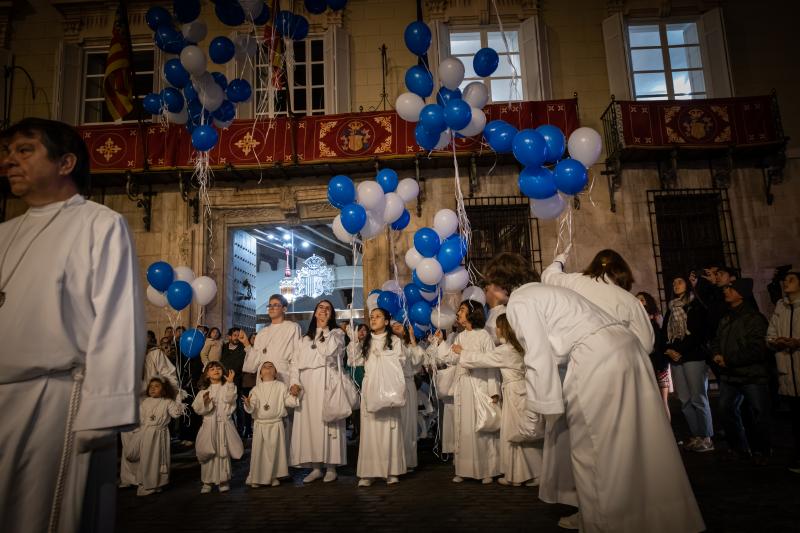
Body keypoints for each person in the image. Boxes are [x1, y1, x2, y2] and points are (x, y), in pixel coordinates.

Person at [485, 252, 705, 533]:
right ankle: (653, 519)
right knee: (637, 442)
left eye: (490, 284)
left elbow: (538, 356)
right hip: (627, 351)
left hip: (596, 358)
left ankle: (601, 524)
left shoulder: (521, 301)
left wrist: (539, 414)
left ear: (502, 283)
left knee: (592, 447)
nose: (488, 290)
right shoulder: (548, 290)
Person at [0, 118, 145, 533]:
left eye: (25, 150)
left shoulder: (99, 224)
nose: (10, 161)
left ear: (65, 163)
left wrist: (103, 410)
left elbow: (117, 319)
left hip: (57, 399)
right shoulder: (5, 233)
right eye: (9, 151)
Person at [540, 248, 655, 528]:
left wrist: (561, 257)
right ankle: (622, 510)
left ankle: (591, 515)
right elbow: (646, 343)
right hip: (624, 377)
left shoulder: (576, 282)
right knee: (622, 444)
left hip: (585, 371)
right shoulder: (627, 299)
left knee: (585, 445)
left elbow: (548, 276)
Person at [455, 313, 543, 487]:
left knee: (518, 431)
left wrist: (462, 352)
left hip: (515, 392)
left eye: (498, 326)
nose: (495, 329)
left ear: (504, 329)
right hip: (517, 390)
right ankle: (519, 474)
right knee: (515, 431)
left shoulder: (507, 350)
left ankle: (535, 472)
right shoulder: (517, 347)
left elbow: (483, 359)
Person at [436, 300, 501, 484]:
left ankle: (487, 469)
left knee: (481, 425)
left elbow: (491, 364)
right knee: (463, 426)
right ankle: (464, 469)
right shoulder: (461, 336)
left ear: (473, 313)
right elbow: (450, 358)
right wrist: (442, 342)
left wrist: (493, 390)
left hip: (479, 385)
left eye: (462, 310)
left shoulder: (484, 336)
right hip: (463, 385)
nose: (458, 313)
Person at [712, 278, 771, 464]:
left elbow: (756, 349)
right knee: (725, 409)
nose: (726, 291)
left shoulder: (754, 318)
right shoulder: (727, 318)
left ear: (741, 294)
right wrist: (716, 354)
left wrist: (728, 359)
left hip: (751, 374)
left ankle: (762, 451)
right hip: (731, 375)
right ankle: (739, 448)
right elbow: (716, 340)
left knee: (759, 412)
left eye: (731, 289)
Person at [289, 300, 347, 483]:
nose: (323, 311)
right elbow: (294, 363)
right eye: (320, 308)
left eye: (328, 309)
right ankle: (315, 467)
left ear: (332, 315)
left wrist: (324, 330)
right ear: (315, 313)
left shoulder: (336, 333)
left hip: (325, 382)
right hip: (307, 385)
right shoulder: (304, 339)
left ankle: (331, 466)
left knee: (327, 423)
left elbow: (330, 353)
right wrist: (294, 382)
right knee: (310, 426)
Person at [349, 308, 408, 486]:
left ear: (387, 321)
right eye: (371, 317)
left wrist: (383, 356)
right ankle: (369, 472)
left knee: (389, 427)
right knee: (370, 430)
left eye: (378, 317)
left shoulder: (394, 341)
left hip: (388, 386)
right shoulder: (366, 341)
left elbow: (401, 361)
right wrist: (353, 341)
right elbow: (354, 361)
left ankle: (392, 470)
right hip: (371, 387)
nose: (373, 319)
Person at [663, 276, 714, 452]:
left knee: (698, 398)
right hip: (676, 359)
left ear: (688, 284)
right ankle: (696, 435)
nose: (675, 285)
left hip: (693, 357)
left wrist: (679, 350)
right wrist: (669, 349)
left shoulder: (696, 306)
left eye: (679, 282)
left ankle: (706, 437)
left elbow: (699, 334)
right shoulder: (671, 308)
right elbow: (665, 333)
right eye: (674, 282)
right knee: (684, 399)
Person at [244, 361, 298, 487]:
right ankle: (256, 478)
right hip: (261, 425)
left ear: (275, 373)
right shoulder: (256, 389)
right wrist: (248, 404)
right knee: (260, 453)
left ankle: (273, 476)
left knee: (275, 452)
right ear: (260, 374)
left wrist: (294, 395)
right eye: (264, 367)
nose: (267, 368)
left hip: (276, 424)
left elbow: (288, 401)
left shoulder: (281, 386)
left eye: (271, 366)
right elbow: (253, 406)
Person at [127, 377, 184, 496]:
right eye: (151, 386)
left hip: (160, 435)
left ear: (163, 390)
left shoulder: (167, 402)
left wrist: (178, 400)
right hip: (147, 434)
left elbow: (176, 414)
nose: (153, 389)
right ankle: (146, 484)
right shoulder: (145, 402)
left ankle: (157, 483)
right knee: (147, 459)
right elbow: (141, 418)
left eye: (157, 386)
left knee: (159, 460)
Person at [766, 271, 800, 473]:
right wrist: (775, 342)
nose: (786, 283)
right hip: (788, 368)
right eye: (785, 279)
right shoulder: (780, 307)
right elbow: (770, 333)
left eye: (791, 279)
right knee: (796, 419)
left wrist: (797, 342)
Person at [192, 361, 243, 493]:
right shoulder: (204, 391)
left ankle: (223, 480)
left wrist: (230, 383)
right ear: (207, 375)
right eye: (212, 369)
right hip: (209, 426)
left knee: (222, 452)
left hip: (223, 424)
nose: (216, 370)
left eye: (218, 368)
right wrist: (205, 403)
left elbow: (230, 399)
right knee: (209, 453)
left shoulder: (228, 387)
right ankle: (207, 482)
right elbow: (198, 409)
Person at [391, 320, 426, 471]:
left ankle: (409, 460)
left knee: (409, 422)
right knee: (396, 422)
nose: (395, 327)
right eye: (393, 326)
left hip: (408, 383)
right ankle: (395, 460)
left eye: (399, 325)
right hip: (393, 385)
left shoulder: (409, 346)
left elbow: (418, 361)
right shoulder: (390, 344)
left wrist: (412, 338)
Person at [636, 291, 671, 420]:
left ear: (648, 302)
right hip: (645, 364)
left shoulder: (656, 317)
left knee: (663, 402)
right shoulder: (636, 320)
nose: (639, 302)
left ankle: (668, 436)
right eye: (637, 300)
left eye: (642, 299)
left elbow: (663, 339)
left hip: (659, 364)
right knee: (649, 403)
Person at [220, 327, 248, 437]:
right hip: (223, 381)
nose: (237, 338)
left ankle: (240, 431)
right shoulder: (223, 347)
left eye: (238, 335)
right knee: (226, 405)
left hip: (237, 381)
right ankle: (228, 431)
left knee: (238, 407)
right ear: (229, 336)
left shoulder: (243, 348)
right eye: (235, 335)